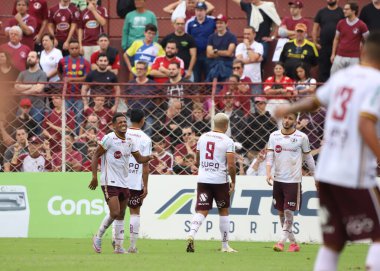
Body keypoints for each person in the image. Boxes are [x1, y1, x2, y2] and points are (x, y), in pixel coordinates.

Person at [274, 32, 380, 271]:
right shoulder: (376, 82)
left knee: (333, 242)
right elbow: (365, 123)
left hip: (326, 171)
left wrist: (288, 108)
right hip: (353, 172)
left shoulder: (344, 77)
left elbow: (314, 102)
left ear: (362, 51)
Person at [89, 113, 154, 254]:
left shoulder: (130, 140)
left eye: (125, 121)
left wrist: (148, 157)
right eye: (120, 122)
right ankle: (98, 236)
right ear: (113, 125)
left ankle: (118, 247)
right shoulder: (109, 139)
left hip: (124, 182)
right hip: (109, 181)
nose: (123, 124)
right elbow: (95, 155)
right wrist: (94, 176)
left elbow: (139, 159)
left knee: (121, 214)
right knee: (115, 212)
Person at [186, 112, 237, 253]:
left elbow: (197, 159)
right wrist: (233, 181)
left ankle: (191, 233)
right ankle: (225, 245)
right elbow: (231, 166)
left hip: (203, 179)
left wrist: (201, 164)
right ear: (226, 126)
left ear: (214, 124)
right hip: (220, 181)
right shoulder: (228, 141)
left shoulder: (203, 137)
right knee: (224, 210)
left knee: (202, 210)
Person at [266, 113, 315, 252]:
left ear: (295, 121)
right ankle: (293, 243)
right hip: (278, 179)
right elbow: (270, 155)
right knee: (281, 212)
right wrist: (268, 172)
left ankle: (281, 241)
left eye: (290, 119)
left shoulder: (301, 137)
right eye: (285, 117)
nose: (286, 120)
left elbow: (308, 159)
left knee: (288, 211)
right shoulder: (274, 136)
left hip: (293, 181)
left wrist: (315, 176)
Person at [112, 109, 152, 253]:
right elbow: (145, 165)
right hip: (135, 181)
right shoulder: (145, 139)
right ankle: (132, 246)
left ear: (129, 120)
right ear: (143, 120)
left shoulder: (121, 134)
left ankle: (117, 244)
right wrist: (145, 186)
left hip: (119, 180)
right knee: (135, 212)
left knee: (118, 212)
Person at [58, 39, 91, 133]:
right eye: (72, 48)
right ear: (68, 48)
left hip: (79, 96)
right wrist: (64, 80)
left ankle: (77, 137)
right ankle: (67, 137)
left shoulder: (85, 62)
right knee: (66, 117)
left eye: (76, 48)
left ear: (79, 48)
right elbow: (60, 73)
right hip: (66, 95)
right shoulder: (62, 61)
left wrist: (71, 80)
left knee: (79, 116)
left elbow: (86, 78)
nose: (74, 50)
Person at [331, 2, 369, 74]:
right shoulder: (340, 23)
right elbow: (336, 39)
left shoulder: (362, 25)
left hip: (354, 58)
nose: (344, 11)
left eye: (347, 9)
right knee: (334, 77)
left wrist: (364, 56)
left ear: (353, 11)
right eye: (344, 9)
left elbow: (368, 41)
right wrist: (333, 54)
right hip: (340, 56)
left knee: (353, 79)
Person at [124, 60, 159, 136]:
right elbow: (126, 99)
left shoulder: (153, 84)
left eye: (141, 69)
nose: (138, 70)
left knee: (148, 131)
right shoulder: (130, 83)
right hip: (131, 115)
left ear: (146, 70)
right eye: (137, 69)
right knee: (129, 133)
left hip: (148, 114)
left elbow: (158, 100)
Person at [312, 0, 344, 82]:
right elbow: (315, 29)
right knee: (323, 70)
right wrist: (315, 42)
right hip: (323, 46)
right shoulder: (321, 12)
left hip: (338, 47)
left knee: (338, 70)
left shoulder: (342, 12)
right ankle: (324, 91)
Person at [14, 51, 47, 130]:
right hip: (22, 106)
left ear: (37, 60)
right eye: (28, 57)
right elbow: (16, 86)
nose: (29, 58)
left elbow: (38, 89)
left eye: (32, 57)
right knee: (18, 128)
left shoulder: (42, 74)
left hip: (37, 107)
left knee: (36, 129)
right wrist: (31, 85)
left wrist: (22, 90)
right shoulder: (22, 73)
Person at [186, 2, 215, 82]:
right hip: (195, 55)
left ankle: (209, 94)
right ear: (195, 11)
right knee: (196, 77)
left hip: (208, 54)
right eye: (197, 10)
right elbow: (187, 38)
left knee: (209, 77)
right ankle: (196, 94)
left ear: (205, 11)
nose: (199, 12)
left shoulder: (212, 21)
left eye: (201, 10)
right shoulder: (190, 23)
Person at [206, 14, 237, 82]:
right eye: (217, 23)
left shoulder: (232, 37)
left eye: (221, 23)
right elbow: (209, 54)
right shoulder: (211, 37)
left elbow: (229, 53)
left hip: (227, 66)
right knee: (216, 68)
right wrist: (224, 53)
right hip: (215, 65)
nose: (218, 25)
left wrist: (216, 51)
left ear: (226, 24)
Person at [235, 26, 263, 94]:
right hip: (242, 80)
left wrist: (247, 46)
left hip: (255, 81)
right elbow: (239, 61)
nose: (246, 36)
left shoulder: (259, 45)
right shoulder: (240, 46)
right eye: (245, 34)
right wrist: (256, 60)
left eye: (248, 34)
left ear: (254, 34)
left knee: (256, 103)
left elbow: (253, 58)